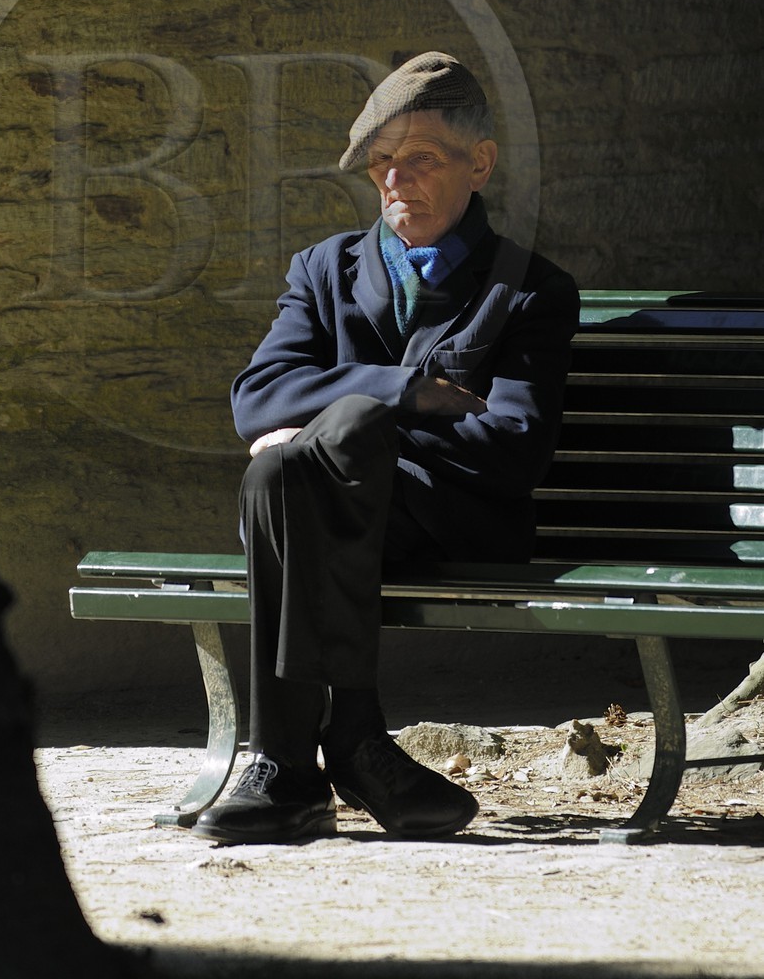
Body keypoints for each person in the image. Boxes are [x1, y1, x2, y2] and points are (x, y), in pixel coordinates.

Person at [193, 50, 579, 845]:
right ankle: (356, 742)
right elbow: (253, 399)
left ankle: (286, 765)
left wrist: (355, 424)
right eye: (380, 164)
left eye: (420, 159)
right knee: (287, 472)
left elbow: (512, 449)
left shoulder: (529, 290)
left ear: (480, 163)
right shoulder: (324, 268)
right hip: (332, 521)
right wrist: (406, 392)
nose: (396, 180)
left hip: (449, 522)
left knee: (294, 465)